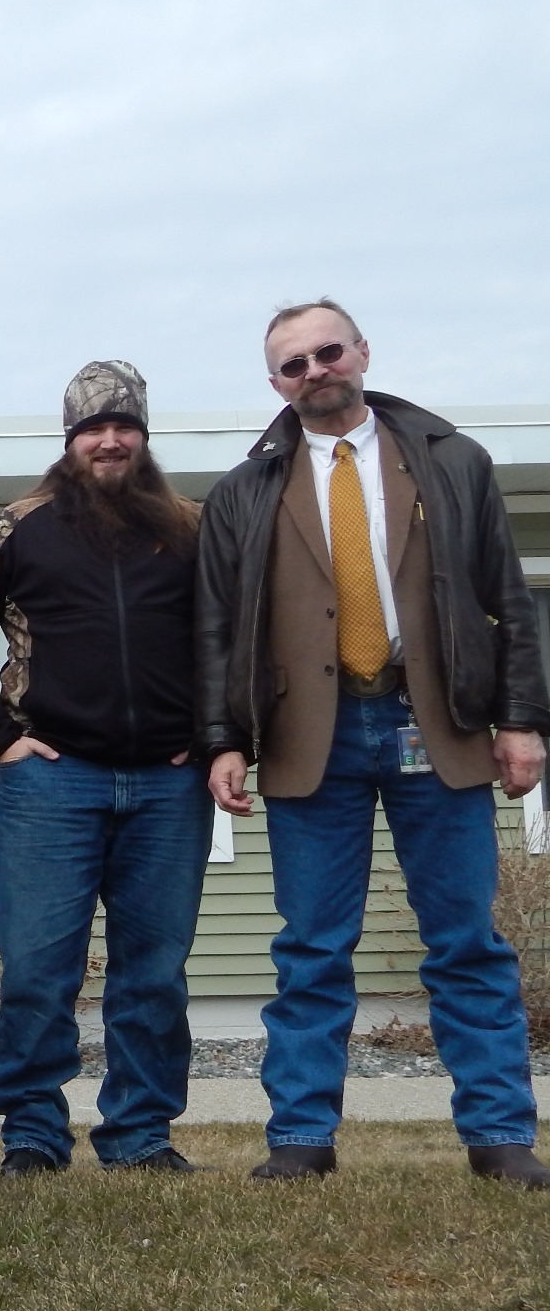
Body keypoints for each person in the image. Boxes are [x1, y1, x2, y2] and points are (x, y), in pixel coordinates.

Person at [196, 299, 550, 1187]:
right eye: (293, 365)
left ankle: (502, 1135)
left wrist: (522, 719)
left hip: (438, 723)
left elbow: (504, 596)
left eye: (327, 352)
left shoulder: (452, 461)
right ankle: (302, 1137)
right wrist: (223, 739)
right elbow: (216, 631)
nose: (314, 372)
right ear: (275, 383)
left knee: (466, 940)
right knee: (312, 946)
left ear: (361, 351)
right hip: (310, 736)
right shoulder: (246, 491)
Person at [0, 362, 210, 1176]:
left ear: (144, 436)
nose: (110, 439)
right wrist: (1, 738)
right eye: (93, 428)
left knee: (154, 971)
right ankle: (31, 1133)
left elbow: (239, 639)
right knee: (39, 970)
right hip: (52, 781)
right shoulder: (16, 527)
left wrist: (219, 732)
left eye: (124, 425)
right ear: (70, 440)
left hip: (170, 784)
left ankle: (140, 1132)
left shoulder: (192, 528)